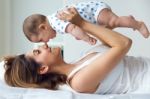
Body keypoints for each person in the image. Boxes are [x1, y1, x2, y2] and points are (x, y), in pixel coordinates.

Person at [4, 7, 150, 94]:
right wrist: (81, 23)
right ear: (43, 69)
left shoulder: (80, 59)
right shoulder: (79, 81)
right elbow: (124, 44)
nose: (44, 45)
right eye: (38, 52)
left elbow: (112, 44)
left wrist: (96, 19)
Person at [23, 1, 149, 45]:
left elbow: (73, 28)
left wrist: (86, 38)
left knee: (114, 21)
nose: (45, 42)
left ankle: (138, 24)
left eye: (40, 39)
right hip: (93, 14)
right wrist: (79, 33)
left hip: (94, 11)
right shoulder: (53, 18)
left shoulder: (54, 23)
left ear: (43, 27)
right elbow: (74, 28)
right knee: (109, 30)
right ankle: (128, 20)